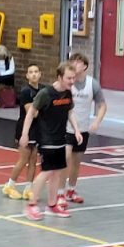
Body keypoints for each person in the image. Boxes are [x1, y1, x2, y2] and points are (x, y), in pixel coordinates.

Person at [20, 62, 83, 220]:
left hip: (60, 138)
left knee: (57, 172)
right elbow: (30, 113)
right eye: (69, 78)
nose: (72, 81)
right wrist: (25, 134)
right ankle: (31, 205)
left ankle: (52, 205)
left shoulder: (68, 94)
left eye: (73, 78)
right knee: (47, 172)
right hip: (46, 138)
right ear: (60, 77)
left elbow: (70, 112)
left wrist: (76, 129)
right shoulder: (45, 93)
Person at [58, 53, 107, 207]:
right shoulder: (67, 83)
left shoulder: (92, 84)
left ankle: (71, 190)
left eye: (77, 62)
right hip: (66, 128)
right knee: (65, 159)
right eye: (72, 61)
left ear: (85, 66)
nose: (74, 64)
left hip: (83, 128)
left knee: (76, 162)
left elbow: (102, 105)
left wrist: (97, 122)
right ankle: (60, 192)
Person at [2, 64, 45, 200]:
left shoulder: (43, 90)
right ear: (27, 76)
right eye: (30, 72)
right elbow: (32, 113)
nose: (33, 74)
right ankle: (10, 185)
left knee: (33, 160)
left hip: (37, 129)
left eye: (36, 71)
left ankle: (28, 188)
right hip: (25, 129)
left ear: (40, 74)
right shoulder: (26, 91)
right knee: (23, 159)